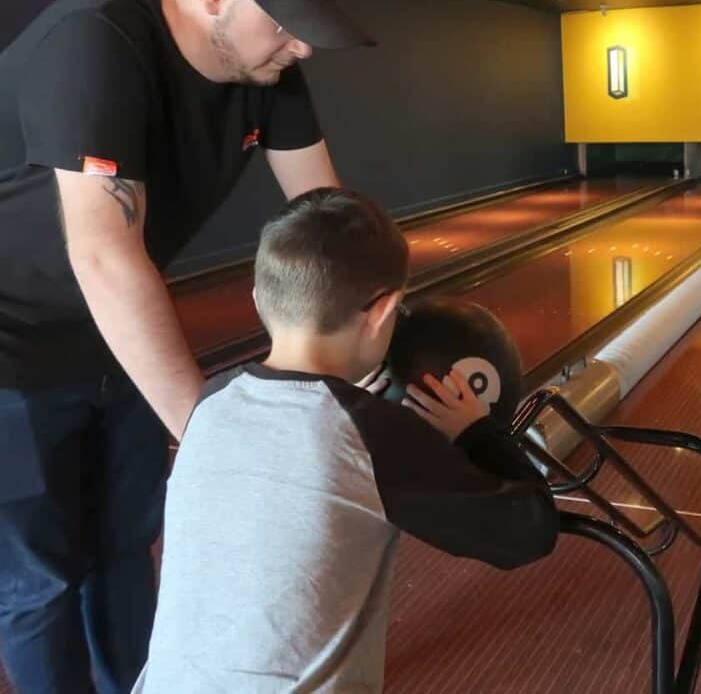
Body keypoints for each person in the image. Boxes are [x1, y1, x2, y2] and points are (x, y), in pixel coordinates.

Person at [0, 0, 373, 692]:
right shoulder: (95, 40)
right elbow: (104, 254)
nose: (301, 43)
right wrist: (223, 447)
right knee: (42, 581)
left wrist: (384, 347)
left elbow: (327, 216)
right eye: (285, 21)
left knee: (127, 549)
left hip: (115, 334)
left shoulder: (269, 69)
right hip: (11, 342)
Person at [132, 188, 559, 692]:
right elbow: (528, 532)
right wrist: (474, 432)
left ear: (259, 298)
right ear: (384, 312)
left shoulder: (212, 401)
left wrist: (339, 398)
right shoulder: (368, 431)